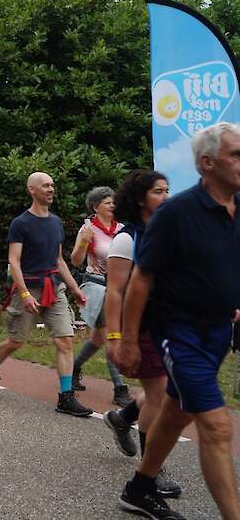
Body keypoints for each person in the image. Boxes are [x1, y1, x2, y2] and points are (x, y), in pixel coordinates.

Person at [116, 123, 240, 519]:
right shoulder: (177, 212)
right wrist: (128, 340)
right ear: (207, 163)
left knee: (177, 410)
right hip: (178, 331)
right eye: (235, 154)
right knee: (218, 427)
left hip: (219, 330)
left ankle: (139, 489)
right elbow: (140, 280)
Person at [0, 172, 91, 417]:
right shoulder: (21, 223)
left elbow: (59, 260)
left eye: (52, 185)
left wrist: (75, 289)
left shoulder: (56, 222)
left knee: (65, 340)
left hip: (54, 287)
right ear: (32, 190)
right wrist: (26, 293)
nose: (51, 189)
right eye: (45, 186)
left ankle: (65, 396)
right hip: (27, 288)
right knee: (16, 341)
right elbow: (14, 261)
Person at [98, 170, 180, 499]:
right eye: (158, 191)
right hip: (141, 327)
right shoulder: (126, 238)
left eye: (167, 190)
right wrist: (116, 338)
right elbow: (115, 292)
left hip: (171, 325)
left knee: (173, 390)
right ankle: (151, 469)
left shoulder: (167, 234)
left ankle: (124, 416)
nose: (166, 196)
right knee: (160, 395)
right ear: (139, 198)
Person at [69, 187, 133, 407]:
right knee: (109, 336)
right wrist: (84, 242)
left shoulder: (122, 229)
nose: (113, 205)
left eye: (114, 202)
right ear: (96, 207)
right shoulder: (88, 229)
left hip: (118, 287)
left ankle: (73, 368)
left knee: (97, 338)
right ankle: (120, 388)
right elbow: (76, 261)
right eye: (108, 202)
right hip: (96, 287)